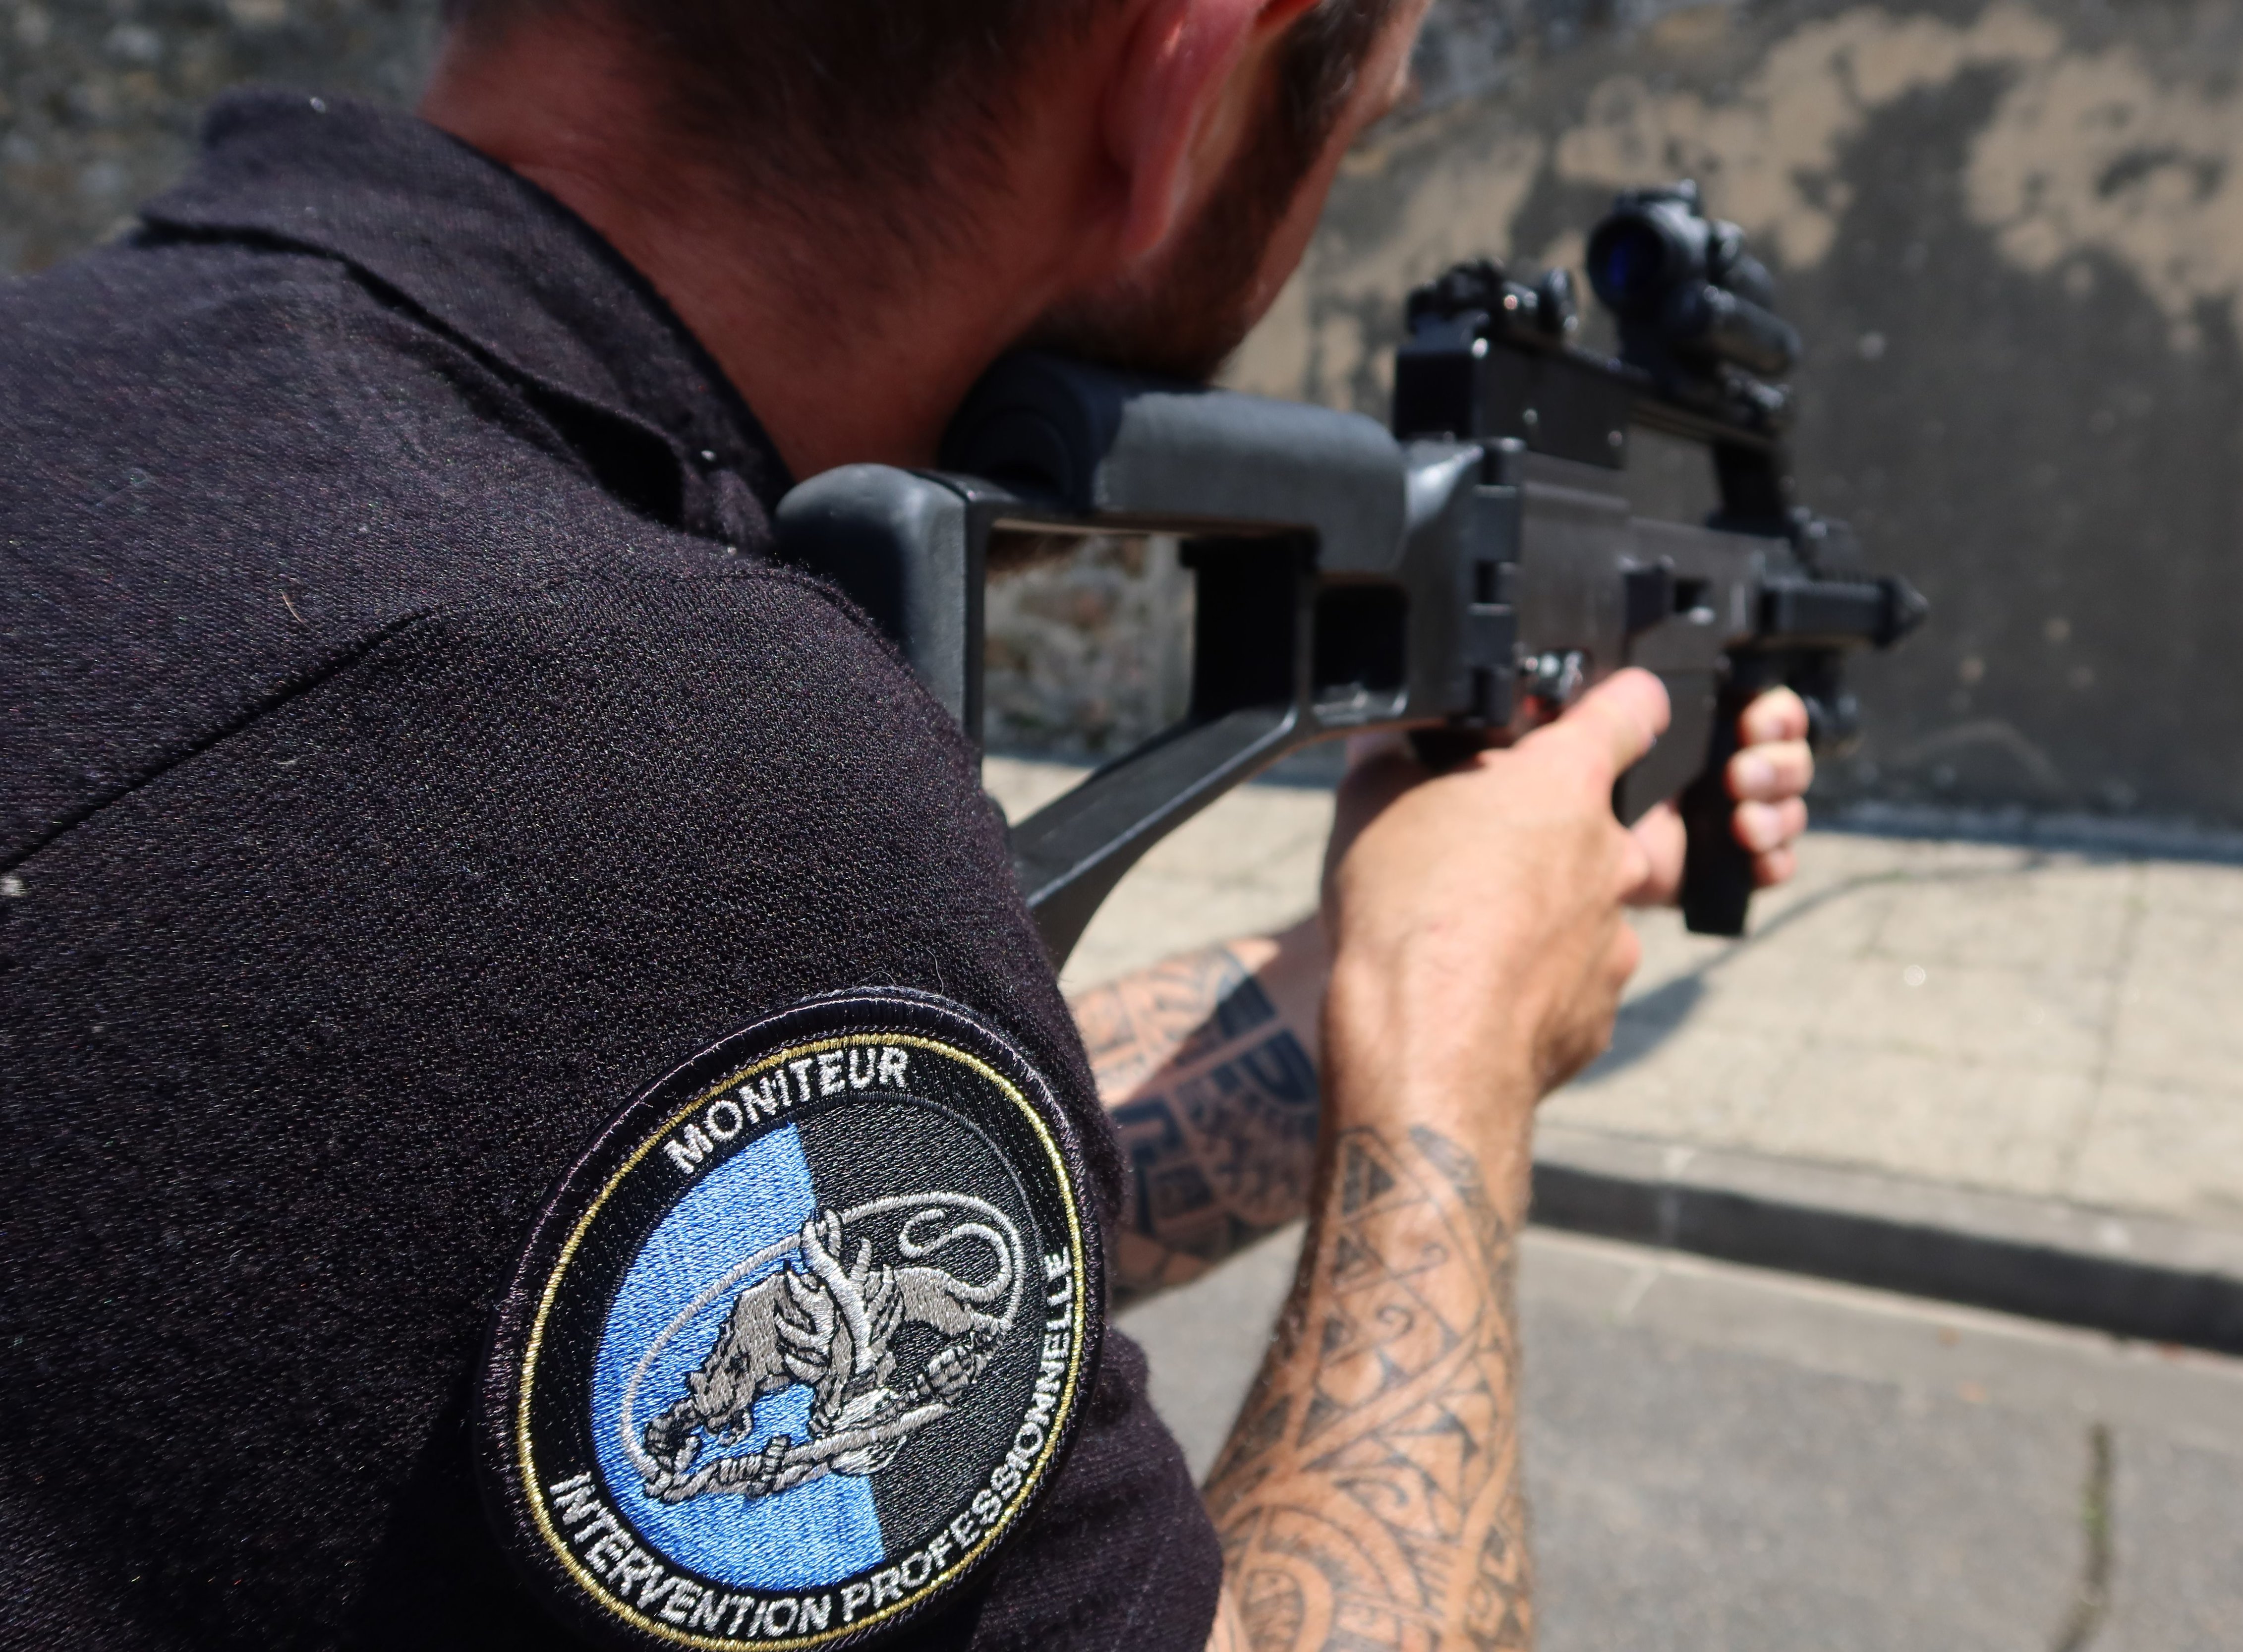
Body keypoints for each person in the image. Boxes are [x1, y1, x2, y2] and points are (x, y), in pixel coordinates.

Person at [0, 0, 1816, 1647]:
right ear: (1182, 79)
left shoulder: (94, 391)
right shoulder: (677, 766)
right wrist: (1450, 1067)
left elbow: (793, 1205)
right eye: (1364, 114)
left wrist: (1378, 954)